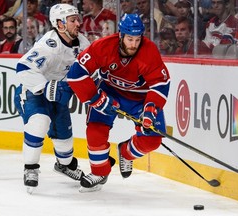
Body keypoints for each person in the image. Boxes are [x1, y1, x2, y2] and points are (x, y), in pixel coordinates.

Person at [66, 13, 170, 191]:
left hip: (141, 99)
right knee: (95, 129)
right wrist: (96, 99)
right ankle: (99, 172)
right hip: (110, 92)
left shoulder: (149, 51)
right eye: (130, 39)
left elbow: (161, 84)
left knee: (152, 140)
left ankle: (126, 153)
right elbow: (76, 74)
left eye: (137, 39)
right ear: (120, 35)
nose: (134, 44)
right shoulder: (103, 46)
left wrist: (150, 109)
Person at [14, 3, 90, 192]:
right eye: (72, 20)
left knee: (65, 146)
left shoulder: (83, 43)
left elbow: (90, 71)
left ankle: (63, 165)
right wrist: (46, 86)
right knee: (39, 122)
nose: (78, 23)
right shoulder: (49, 45)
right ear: (60, 24)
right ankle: (30, 168)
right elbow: (23, 68)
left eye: (77, 19)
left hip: (58, 95)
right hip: (34, 92)